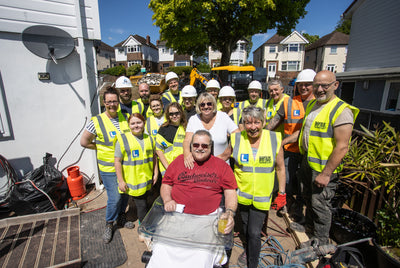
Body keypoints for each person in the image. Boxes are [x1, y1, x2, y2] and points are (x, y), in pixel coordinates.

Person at [283, 70, 359, 246]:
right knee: (308, 198)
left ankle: (321, 241)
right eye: (316, 85)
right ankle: (309, 229)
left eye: (324, 85)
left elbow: (342, 146)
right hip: (308, 163)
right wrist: (283, 142)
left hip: (324, 168)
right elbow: (303, 133)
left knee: (320, 205)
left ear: (335, 85)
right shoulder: (312, 105)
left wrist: (326, 173)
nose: (319, 89)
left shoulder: (341, 110)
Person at [147, 130, 238, 268]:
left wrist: (230, 213)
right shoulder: (179, 161)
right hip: (177, 217)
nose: (200, 148)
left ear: (210, 147)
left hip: (207, 221)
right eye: (196, 144)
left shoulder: (221, 166)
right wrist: (167, 200)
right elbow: (166, 184)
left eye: (204, 145)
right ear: (190, 146)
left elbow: (230, 193)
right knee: (161, 251)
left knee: (201, 257)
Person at [230, 106, 286, 268]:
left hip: (262, 197)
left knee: (254, 232)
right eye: (248, 123)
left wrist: (282, 193)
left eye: (256, 122)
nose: (252, 127)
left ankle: (252, 263)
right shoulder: (237, 139)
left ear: (263, 123)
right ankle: (248, 249)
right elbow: (225, 156)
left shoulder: (274, 139)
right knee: (247, 228)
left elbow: (281, 168)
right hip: (243, 195)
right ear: (243, 124)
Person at [80, 87, 134, 244]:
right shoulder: (96, 121)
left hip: (125, 166)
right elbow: (84, 142)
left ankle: (122, 217)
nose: (112, 104)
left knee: (125, 194)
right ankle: (109, 224)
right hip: (109, 168)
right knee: (115, 197)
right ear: (104, 103)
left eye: (114, 101)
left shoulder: (125, 117)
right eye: (109, 101)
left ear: (118, 102)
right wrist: (99, 147)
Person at [266, 69, 316, 223]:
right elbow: (274, 121)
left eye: (308, 84)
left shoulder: (317, 104)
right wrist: (261, 134)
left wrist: (283, 142)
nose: (304, 87)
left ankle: (301, 213)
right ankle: (285, 204)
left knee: (304, 184)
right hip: (291, 151)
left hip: (308, 151)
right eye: (301, 84)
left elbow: (304, 130)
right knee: (286, 180)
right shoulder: (289, 103)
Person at [114, 113, 158, 224]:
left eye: (139, 122)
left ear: (144, 123)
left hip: (147, 180)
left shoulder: (150, 139)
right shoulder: (123, 140)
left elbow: (154, 157)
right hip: (134, 182)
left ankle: (144, 223)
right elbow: (117, 161)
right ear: (128, 125)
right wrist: (121, 181)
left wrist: (155, 173)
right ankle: (144, 229)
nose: (136, 125)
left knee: (147, 203)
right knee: (142, 206)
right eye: (132, 123)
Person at [183, 92, 239, 168]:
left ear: (214, 105)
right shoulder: (193, 119)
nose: (206, 107)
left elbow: (238, 135)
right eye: (202, 104)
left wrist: (227, 153)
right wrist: (187, 153)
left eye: (209, 104)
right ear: (198, 106)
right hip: (199, 166)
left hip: (221, 164)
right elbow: (187, 140)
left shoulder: (223, 117)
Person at [155, 102, 186, 176]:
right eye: (171, 114)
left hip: (183, 168)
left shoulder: (186, 128)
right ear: (168, 115)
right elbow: (159, 150)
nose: (174, 116)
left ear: (181, 113)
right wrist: (168, 168)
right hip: (167, 168)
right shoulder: (163, 129)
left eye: (177, 113)